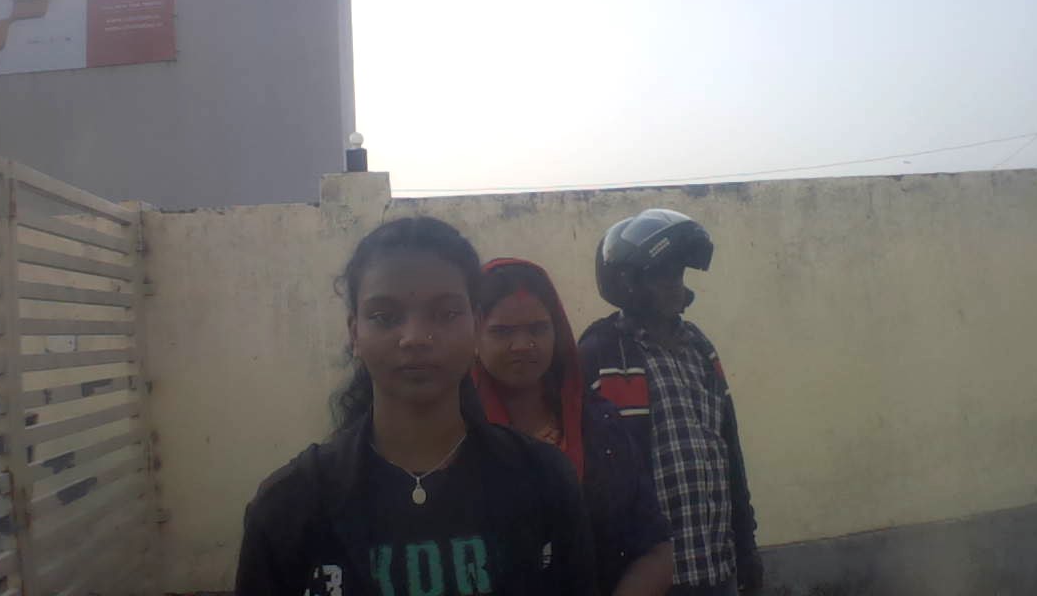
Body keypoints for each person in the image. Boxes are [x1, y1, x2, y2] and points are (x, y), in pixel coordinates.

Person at [236, 217, 597, 596]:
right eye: (384, 317)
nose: (415, 338)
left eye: (446, 314)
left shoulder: (544, 480)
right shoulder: (291, 506)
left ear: (475, 325)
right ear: (355, 333)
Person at [577, 210, 763, 596]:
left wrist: (747, 549)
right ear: (628, 283)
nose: (676, 285)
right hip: (649, 578)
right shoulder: (600, 352)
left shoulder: (700, 348)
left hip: (716, 567)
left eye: (679, 274)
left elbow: (729, 453)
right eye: (663, 275)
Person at [471, 258, 675, 596]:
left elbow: (656, 548)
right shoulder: (453, 434)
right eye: (502, 331)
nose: (522, 344)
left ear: (558, 332)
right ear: (474, 336)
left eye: (537, 328)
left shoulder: (601, 426)